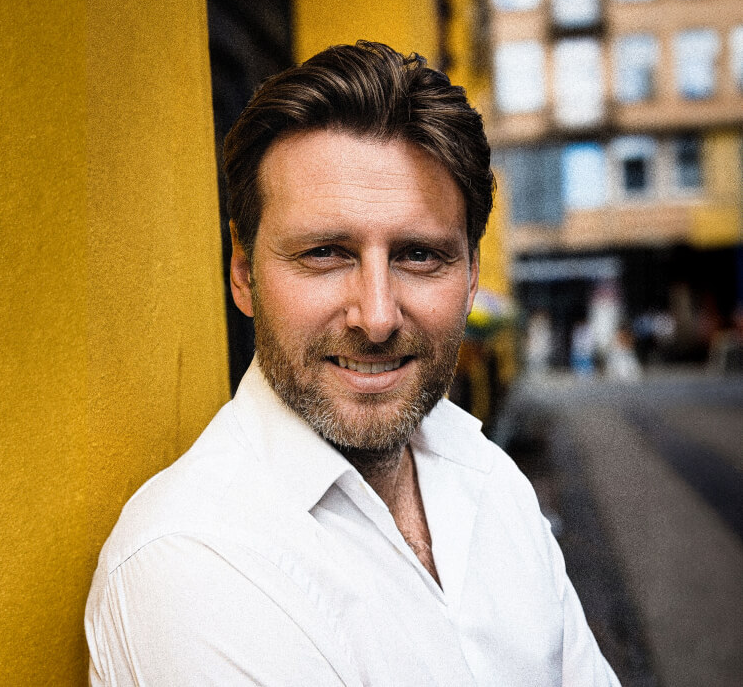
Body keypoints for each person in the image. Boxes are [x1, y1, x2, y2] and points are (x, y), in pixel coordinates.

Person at [86, 42, 620, 686]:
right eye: (325, 253)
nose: (378, 316)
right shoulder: (191, 562)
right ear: (243, 272)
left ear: (473, 276)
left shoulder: (491, 480)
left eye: (419, 255)